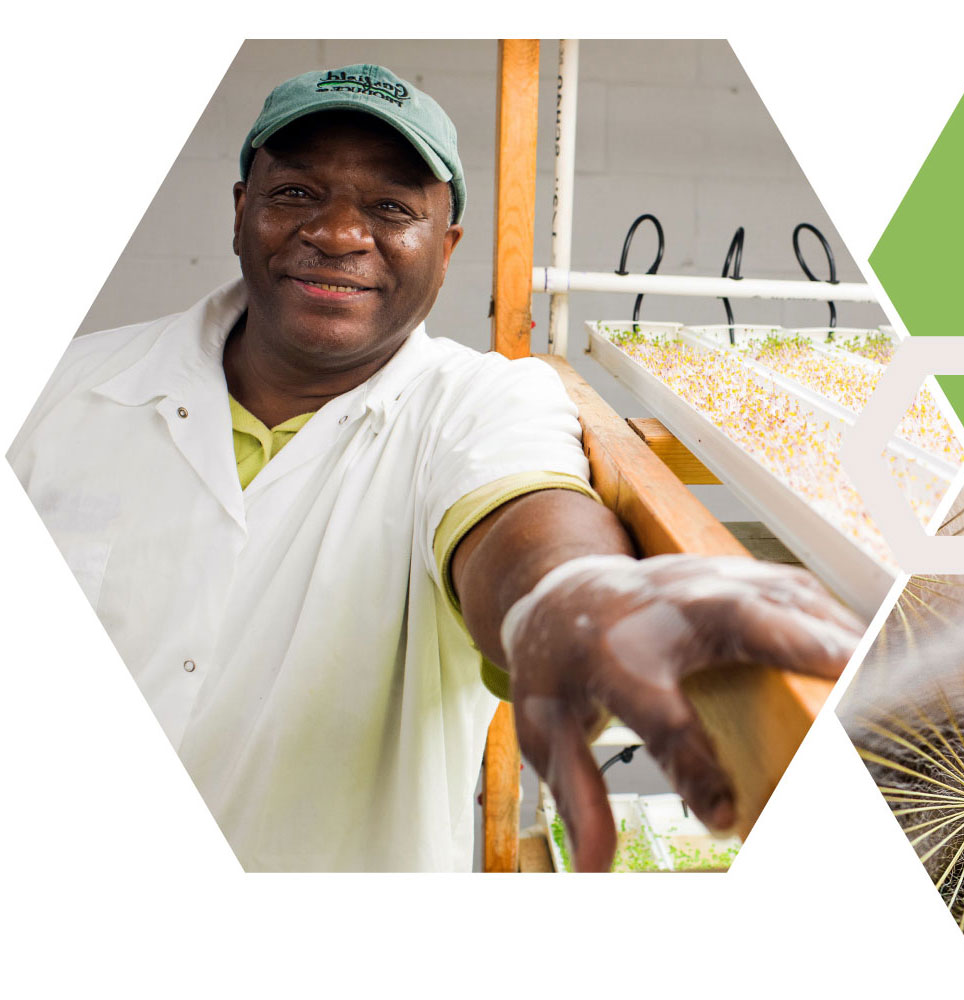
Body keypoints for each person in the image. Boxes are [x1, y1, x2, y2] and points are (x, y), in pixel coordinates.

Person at [7, 64, 862, 873]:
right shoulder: (54, 390)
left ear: (446, 248)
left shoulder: (480, 403)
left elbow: (525, 527)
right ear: (240, 211)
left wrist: (569, 599)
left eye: (390, 207)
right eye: (296, 193)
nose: (338, 234)